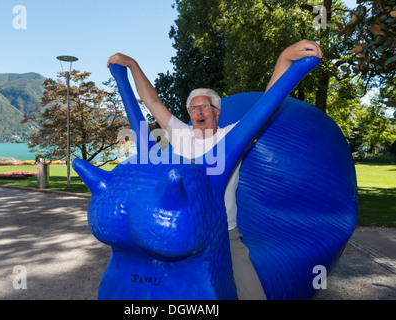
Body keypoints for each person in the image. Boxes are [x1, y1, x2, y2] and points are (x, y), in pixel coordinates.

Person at [107, 39, 323, 300]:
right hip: (185, 235)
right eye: (193, 107)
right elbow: (152, 102)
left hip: (225, 235)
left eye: (204, 106)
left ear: (217, 112)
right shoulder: (181, 135)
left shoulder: (231, 136)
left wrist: (285, 59)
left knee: (254, 296)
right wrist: (132, 65)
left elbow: (268, 104)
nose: (198, 111)